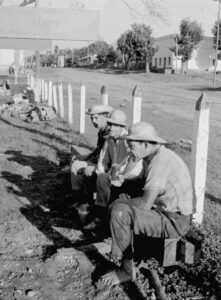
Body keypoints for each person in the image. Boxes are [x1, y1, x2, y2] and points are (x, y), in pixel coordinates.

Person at [100, 122, 195, 286]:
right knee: (123, 194)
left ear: (145, 143)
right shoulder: (151, 156)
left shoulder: (160, 161)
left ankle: (127, 271)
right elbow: (141, 182)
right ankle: (120, 240)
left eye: (131, 146)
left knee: (119, 212)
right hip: (167, 211)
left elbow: (145, 204)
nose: (129, 150)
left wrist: (116, 207)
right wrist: (124, 182)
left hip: (174, 221)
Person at [83, 109, 142, 231]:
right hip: (114, 175)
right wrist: (103, 172)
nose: (110, 128)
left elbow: (136, 164)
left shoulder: (128, 140)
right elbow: (102, 160)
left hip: (130, 178)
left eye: (114, 125)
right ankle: (98, 215)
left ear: (121, 127)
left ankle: (109, 219)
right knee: (99, 177)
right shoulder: (109, 139)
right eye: (109, 124)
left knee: (107, 183)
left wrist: (121, 177)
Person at [70, 104, 112, 199]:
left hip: (104, 165)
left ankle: (78, 194)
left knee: (75, 165)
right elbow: (98, 149)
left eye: (96, 118)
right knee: (75, 158)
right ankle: (79, 189)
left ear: (105, 117)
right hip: (97, 160)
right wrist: (89, 156)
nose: (93, 121)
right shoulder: (101, 131)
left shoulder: (108, 133)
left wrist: (92, 160)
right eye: (92, 118)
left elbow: (106, 156)